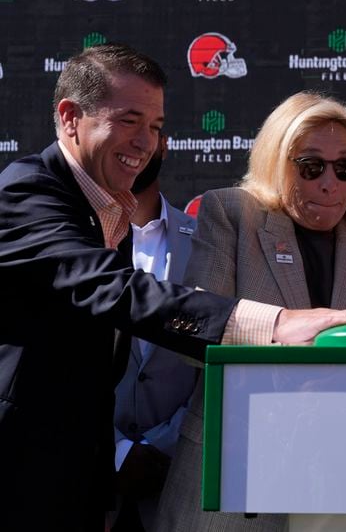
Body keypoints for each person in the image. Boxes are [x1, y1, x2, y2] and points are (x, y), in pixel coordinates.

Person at [0, 43, 346, 531]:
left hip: (74, 479)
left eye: (157, 127)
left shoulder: (104, 203)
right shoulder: (28, 191)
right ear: (69, 116)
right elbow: (116, 291)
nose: (147, 142)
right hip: (21, 474)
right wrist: (278, 323)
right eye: (129, 120)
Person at [154, 92, 346, 532]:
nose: (329, 183)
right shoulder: (230, 216)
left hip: (340, 484)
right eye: (310, 167)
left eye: (344, 168)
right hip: (235, 477)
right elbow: (192, 337)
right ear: (277, 161)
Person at [110, 134, 199, 531]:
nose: (136, 144)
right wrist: (116, 451)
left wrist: (166, 444)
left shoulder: (209, 241)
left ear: (164, 145)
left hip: (180, 483)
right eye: (125, 127)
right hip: (84, 477)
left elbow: (221, 364)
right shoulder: (69, 241)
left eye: (150, 129)